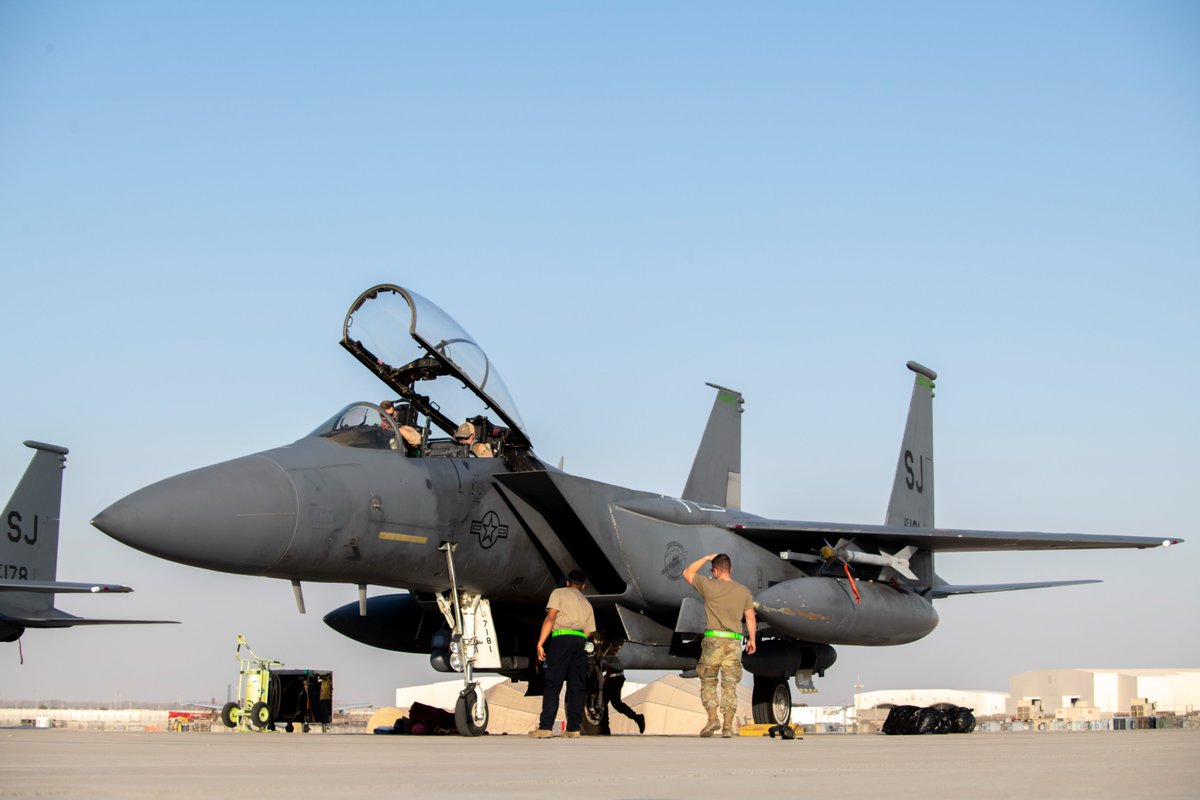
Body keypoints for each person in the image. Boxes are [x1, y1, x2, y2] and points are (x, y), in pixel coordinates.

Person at [683, 552, 756, 738]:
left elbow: (687, 572)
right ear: (730, 569)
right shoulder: (744, 591)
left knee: (708, 681)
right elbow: (750, 617)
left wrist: (706, 558)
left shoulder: (708, 586)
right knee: (730, 686)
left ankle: (713, 718)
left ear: (715, 571)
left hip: (713, 641)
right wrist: (753, 639)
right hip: (734, 642)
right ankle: (728, 727)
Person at [530, 570, 595, 739]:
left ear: (567, 583)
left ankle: (545, 727)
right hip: (580, 642)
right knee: (576, 686)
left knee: (553, 683)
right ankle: (573, 728)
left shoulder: (558, 593)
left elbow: (551, 617)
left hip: (561, 639)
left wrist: (540, 643)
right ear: (583, 586)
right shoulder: (587, 603)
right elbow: (589, 633)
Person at [599, 663, 645, 735]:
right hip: (616, 677)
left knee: (606, 702)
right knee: (614, 703)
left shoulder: (606, 655)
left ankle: (605, 728)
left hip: (613, 678)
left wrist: (607, 678)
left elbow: (609, 663)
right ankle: (637, 718)